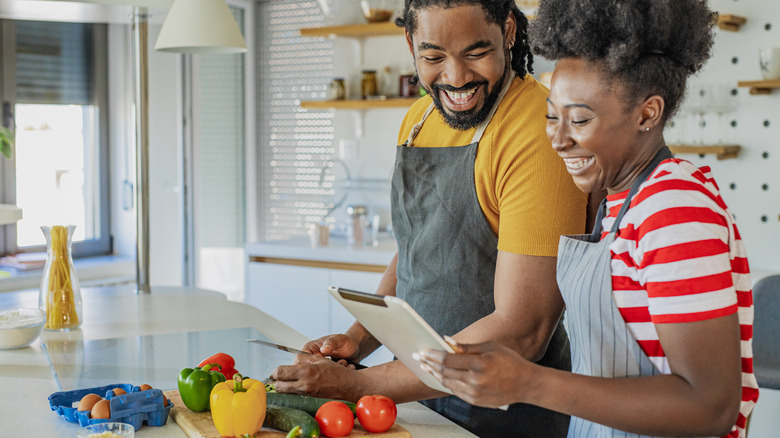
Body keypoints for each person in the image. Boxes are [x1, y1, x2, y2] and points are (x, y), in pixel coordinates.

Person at [416, 0, 759, 437]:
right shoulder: (619, 201)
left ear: (647, 114)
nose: (558, 140)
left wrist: (528, 381)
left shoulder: (674, 209)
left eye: (579, 119)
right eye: (552, 117)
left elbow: (710, 406)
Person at [270, 0, 588, 435]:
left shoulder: (536, 127)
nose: (456, 78)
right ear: (410, 43)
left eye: (476, 53)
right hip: (416, 401)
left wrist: (357, 385)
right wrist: (361, 339)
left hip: (501, 416)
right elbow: (418, 250)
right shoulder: (419, 119)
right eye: (434, 56)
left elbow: (522, 330)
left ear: (509, 31)